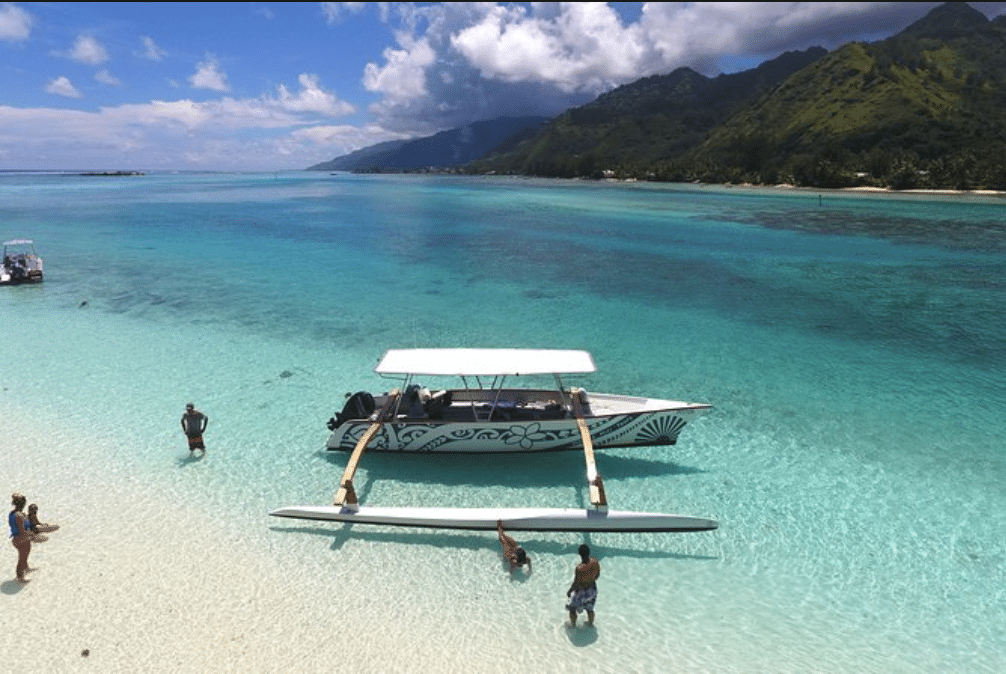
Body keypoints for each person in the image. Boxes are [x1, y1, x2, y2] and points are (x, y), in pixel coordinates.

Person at [566, 543, 601, 626]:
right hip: (592, 588)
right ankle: (590, 624)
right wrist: (591, 579)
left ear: (579, 554)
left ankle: (573, 625)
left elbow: (576, 583)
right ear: (589, 552)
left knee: (572, 609)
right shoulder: (595, 561)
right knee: (590, 609)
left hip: (581, 590)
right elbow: (597, 575)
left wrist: (570, 591)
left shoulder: (579, 568)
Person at [9, 493, 33, 583]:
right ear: (22, 504)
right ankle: (20, 578)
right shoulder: (19, 515)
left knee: (25, 555)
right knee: (22, 558)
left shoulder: (13, 513)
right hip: (21, 539)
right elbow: (22, 530)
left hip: (16, 538)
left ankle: (26, 569)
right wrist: (31, 536)